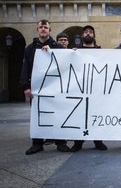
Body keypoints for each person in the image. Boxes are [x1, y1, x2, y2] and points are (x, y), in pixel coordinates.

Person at [21, 19, 71, 155]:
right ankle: (37, 143)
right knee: (37, 116)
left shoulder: (58, 47)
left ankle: (61, 142)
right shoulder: (30, 48)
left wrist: (53, 52)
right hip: (37, 89)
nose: (43, 29)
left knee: (57, 114)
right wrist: (26, 86)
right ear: (37, 30)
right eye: (41, 27)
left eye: (46, 27)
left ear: (50, 30)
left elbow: (65, 64)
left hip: (55, 88)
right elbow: (25, 68)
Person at [70, 25, 108, 152]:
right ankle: (78, 142)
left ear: (94, 35)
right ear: (82, 35)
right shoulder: (76, 51)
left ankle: (98, 141)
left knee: (96, 114)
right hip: (80, 88)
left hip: (96, 88)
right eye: (85, 32)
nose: (88, 34)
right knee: (80, 115)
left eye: (90, 32)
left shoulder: (99, 50)